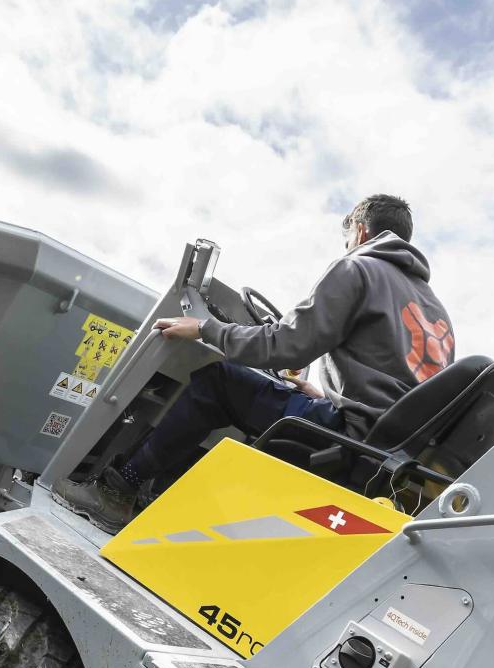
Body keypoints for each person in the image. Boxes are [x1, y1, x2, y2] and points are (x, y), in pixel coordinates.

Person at [56, 193, 454, 532]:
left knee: (217, 384)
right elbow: (400, 392)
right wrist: (327, 394)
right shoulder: (437, 312)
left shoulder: (359, 266)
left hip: (346, 437)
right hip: (386, 458)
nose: (347, 245)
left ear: (362, 232)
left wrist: (205, 328)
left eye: (347, 237)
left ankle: (118, 493)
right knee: (256, 397)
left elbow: (286, 345)